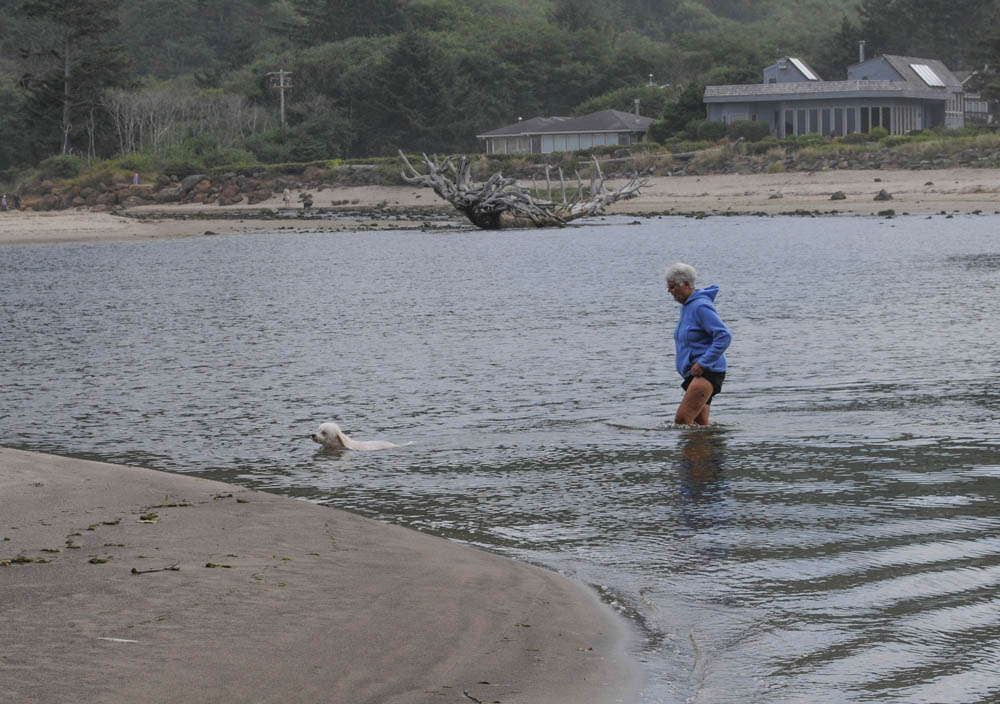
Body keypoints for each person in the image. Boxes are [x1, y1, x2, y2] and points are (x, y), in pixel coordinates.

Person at [666, 262, 731, 425]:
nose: (670, 291)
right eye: (669, 287)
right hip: (694, 373)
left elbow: (723, 335)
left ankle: (691, 450)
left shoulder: (700, 306)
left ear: (686, 284)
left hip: (708, 371)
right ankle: (708, 450)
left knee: (682, 420)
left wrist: (703, 363)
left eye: (673, 287)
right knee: (699, 425)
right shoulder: (687, 307)